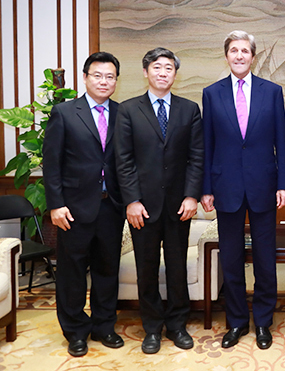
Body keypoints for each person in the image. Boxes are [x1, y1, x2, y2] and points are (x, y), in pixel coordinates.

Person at [201, 30, 285, 350]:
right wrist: (206, 188)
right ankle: (237, 321)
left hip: (264, 185)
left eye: (245, 51)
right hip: (225, 186)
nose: (239, 55)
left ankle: (263, 321)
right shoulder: (211, 94)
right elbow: (207, 144)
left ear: (253, 56)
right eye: (234, 50)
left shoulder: (272, 92)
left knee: (266, 258)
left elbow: (281, 141)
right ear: (226, 55)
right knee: (231, 258)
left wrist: (284, 184)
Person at [115, 47, 203, 354]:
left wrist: (191, 195)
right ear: (145, 72)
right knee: (147, 268)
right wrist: (132, 200)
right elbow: (123, 160)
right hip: (142, 207)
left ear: (175, 74)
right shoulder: (128, 110)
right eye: (157, 67)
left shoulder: (189, 109)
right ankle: (152, 328)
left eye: (169, 68)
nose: (163, 72)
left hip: (179, 205)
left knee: (177, 267)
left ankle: (177, 325)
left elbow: (196, 156)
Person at [43, 52, 124, 357]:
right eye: (98, 75)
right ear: (85, 77)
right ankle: (75, 331)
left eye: (110, 76)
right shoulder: (64, 113)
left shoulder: (122, 113)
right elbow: (52, 163)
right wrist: (56, 205)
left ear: (116, 81)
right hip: (73, 208)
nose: (104, 81)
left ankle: (104, 326)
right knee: (72, 271)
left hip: (111, 206)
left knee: (107, 270)